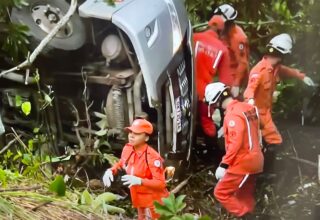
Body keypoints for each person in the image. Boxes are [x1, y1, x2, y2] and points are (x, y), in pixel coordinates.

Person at [244, 33, 315, 149]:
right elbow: (249, 90)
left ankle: (262, 154)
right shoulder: (259, 71)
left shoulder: (275, 68)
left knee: (261, 140)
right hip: (258, 113)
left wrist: (301, 76)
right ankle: (266, 162)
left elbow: (287, 71)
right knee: (274, 140)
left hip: (267, 110)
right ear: (280, 54)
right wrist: (250, 101)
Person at [204, 82, 264, 218]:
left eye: (213, 105)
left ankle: (246, 216)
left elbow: (235, 143)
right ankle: (252, 212)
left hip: (243, 162)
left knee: (221, 192)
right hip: (257, 159)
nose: (214, 108)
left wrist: (224, 165)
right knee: (244, 193)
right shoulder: (247, 107)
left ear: (217, 100)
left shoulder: (232, 115)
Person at [102, 118, 169, 220]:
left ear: (146, 138)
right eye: (131, 132)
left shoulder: (152, 156)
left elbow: (161, 183)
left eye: (137, 133)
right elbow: (122, 163)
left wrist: (139, 181)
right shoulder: (128, 148)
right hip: (138, 198)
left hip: (154, 202)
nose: (131, 135)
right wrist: (111, 170)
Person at [194, 15, 236, 139]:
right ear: (222, 31)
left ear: (208, 24)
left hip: (185, 88)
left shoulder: (194, 38)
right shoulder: (222, 49)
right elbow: (225, 79)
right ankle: (212, 147)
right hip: (205, 95)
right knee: (208, 124)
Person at [213, 3, 250, 97]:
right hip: (222, 71)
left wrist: (236, 84)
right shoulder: (223, 32)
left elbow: (242, 63)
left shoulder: (238, 38)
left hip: (233, 76)